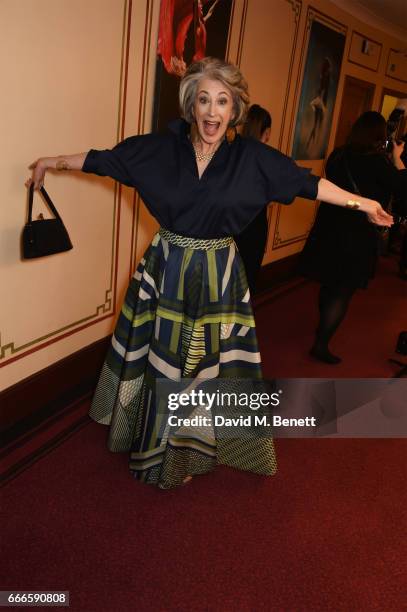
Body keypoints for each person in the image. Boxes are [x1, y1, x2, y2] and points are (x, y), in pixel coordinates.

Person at [26, 59, 392, 488]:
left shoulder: (252, 159)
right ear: (192, 106)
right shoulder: (162, 149)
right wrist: (53, 161)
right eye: (204, 100)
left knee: (202, 361)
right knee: (161, 358)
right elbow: (104, 160)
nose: (212, 111)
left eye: (222, 101)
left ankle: (187, 448)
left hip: (218, 273)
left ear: (235, 109)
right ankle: (149, 439)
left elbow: (309, 185)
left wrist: (364, 204)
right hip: (166, 266)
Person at [300, 111, 406, 364]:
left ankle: (322, 329)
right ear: (380, 136)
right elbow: (403, 189)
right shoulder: (379, 163)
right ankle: (321, 343)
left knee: (329, 282)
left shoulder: (338, 155)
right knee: (343, 289)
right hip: (356, 234)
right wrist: (399, 160)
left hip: (328, 227)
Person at [235, 104, 271, 293]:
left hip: (229, 225)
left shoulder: (230, 151)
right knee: (246, 280)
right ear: (267, 132)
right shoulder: (266, 159)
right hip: (253, 227)